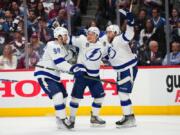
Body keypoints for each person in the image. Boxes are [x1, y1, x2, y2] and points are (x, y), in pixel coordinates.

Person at [34, 26, 86, 129]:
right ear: (58, 36)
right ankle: (63, 120)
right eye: (65, 35)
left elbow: (66, 60)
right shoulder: (52, 44)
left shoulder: (62, 48)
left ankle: (59, 118)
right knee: (57, 95)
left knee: (64, 96)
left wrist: (75, 53)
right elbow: (60, 63)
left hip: (55, 76)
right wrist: (73, 69)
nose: (67, 37)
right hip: (45, 74)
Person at [68, 26, 108, 128]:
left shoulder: (102, 45)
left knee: (100, 97)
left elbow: (108, 54)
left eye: (92, 34)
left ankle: (94, 117)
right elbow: (67, 39)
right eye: (88, 33)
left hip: (95, 77)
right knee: (75, 98)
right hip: (82, 75)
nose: (89, 35)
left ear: (97, 36)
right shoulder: (82, 40)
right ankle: (71, 119)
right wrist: (58, 29)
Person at [104, 10, 138, 128]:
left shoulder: (119, 39)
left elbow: (129, 34)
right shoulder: (108, 44)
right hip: (120, 71)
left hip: (128, 68)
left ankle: (129, 118)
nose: (107, 34)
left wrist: (130, 23)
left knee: (123, 93)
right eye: (107, 32)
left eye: (109, 32)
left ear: (115, 32)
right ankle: (129, 116)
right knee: (122, 93)